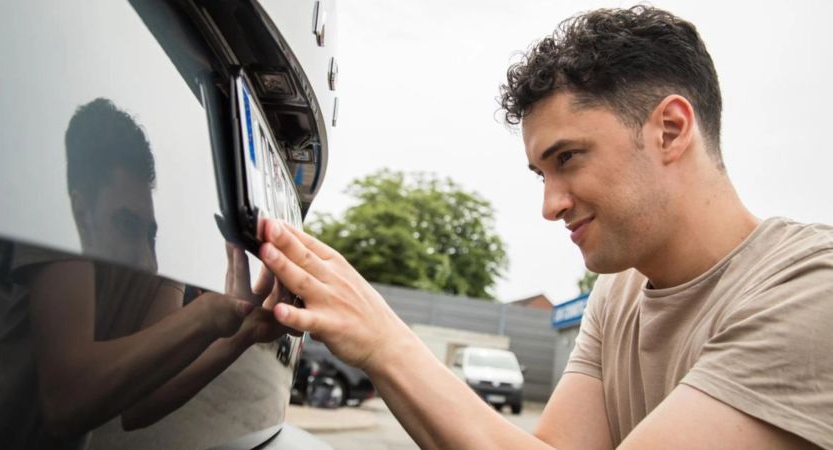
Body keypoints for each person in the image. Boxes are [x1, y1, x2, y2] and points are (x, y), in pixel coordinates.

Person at [255, 6, 833, 450]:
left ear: (672, 129)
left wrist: (386, 343)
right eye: (540, 173)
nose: (550, 206)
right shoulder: (618, 292)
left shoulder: (810, 290)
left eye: (568, 159)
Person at [0, 99, 293, 449]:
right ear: (80, 211)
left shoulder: (159, 264)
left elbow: (142, 403)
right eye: (127, 225)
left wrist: (241, 330)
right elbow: (65, 401)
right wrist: (206, 316)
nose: (147, 259)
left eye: (151, 233)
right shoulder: (61, 228)